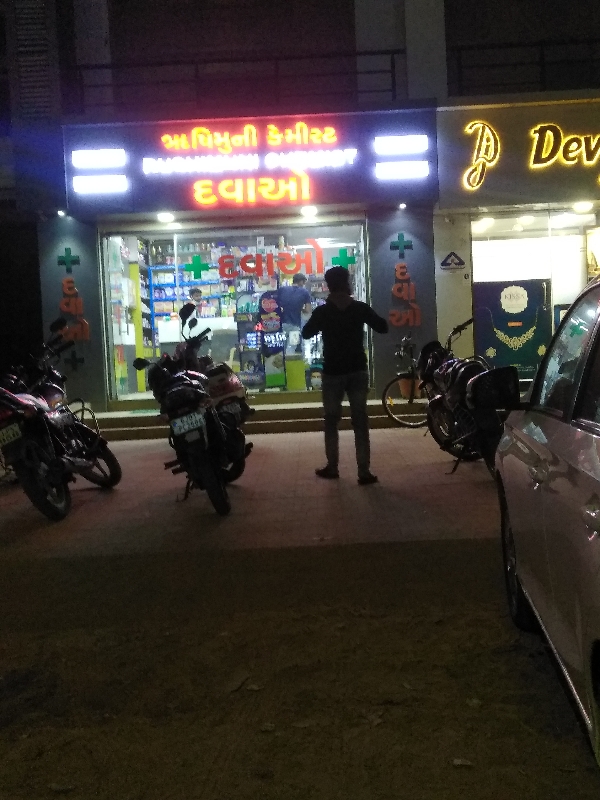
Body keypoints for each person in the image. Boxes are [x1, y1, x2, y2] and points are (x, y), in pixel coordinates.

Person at [302, 266, 388, 485]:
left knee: (331, 421)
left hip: (332, 372)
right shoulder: (359, 308)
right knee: (360, 420)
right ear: (347, 283)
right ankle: (364, 471)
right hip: (357, 369)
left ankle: (332, 467)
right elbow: (383, 327)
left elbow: (306, 333)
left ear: (328, 285)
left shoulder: (323, 312)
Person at [278, 273, 312, 353]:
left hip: (282, 324)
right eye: (303, 283)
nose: (303, 285)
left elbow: (276, 304)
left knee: (281, 349)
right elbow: (308, 310)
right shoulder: (305, 292)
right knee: (291, 349)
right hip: (295, 326)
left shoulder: (282, 289)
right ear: (301, 281)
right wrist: (300, 308)